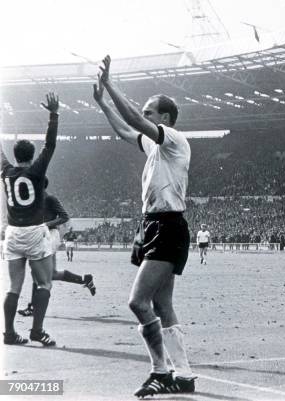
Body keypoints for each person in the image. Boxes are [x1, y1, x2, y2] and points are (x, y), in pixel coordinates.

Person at [94, 55, 195, 397]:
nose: (145, 115)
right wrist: (102, 103)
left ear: (164, 118)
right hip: (153, 224)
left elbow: (133, 119)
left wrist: (110, 84)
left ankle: (160, 370)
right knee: (163, 306)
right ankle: (183, 374)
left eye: (150, 112)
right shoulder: (155, 146)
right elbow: (126, 129)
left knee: (138, 303)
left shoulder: (175, 140)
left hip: (167, 225)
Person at [1, 93, 60, 347]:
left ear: (14, 155)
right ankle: (37, 330)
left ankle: (9, 333)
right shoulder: (36, 171)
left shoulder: (6, 171)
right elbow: (50, 145)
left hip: (12, 233)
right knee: (44, 283)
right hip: (35, 231)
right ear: (31, 154)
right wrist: (53, 116)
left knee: (13, 286)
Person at [18, 179, 96, 317]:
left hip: (51, 236)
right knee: (51, 274)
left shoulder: (50, 199)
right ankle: (85, 279)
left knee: (37, 272)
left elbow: (65, 216)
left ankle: (33, 307)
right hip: (41, 236)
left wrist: (46, 224)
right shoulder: (35, 202)